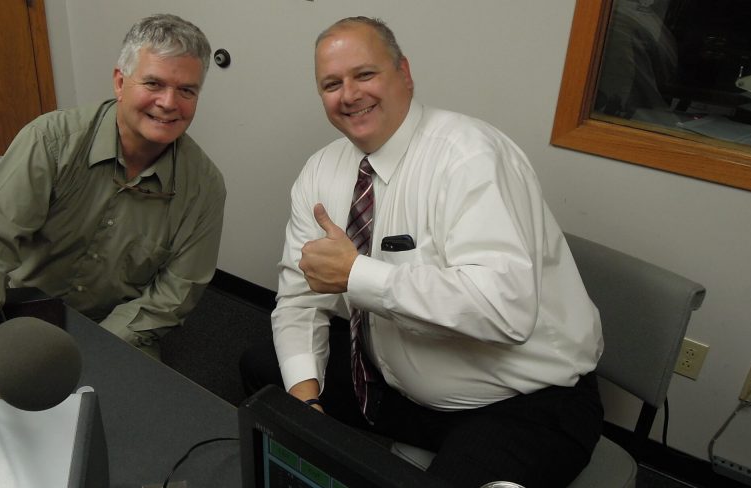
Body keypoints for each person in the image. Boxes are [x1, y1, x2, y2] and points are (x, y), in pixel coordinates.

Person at [240, 17, 604, 487]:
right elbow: (298, 299)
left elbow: (506, 311)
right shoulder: (320, 172)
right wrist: (306, 407)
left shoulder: (470, 157)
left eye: (365, 75)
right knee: (268, 376)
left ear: (404, 74)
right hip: (393, 382)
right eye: (332, 84)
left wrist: (358, 275)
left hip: (522, 398)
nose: (349, 95)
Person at [0, 14, 225, 400]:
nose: (169, 103)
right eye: (154, 83)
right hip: (19, 316)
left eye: (186, 91)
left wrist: (85, 356)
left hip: (119, 330)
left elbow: (170, 298)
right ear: (121, 82)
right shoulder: (50, 142)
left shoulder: (204, 187)